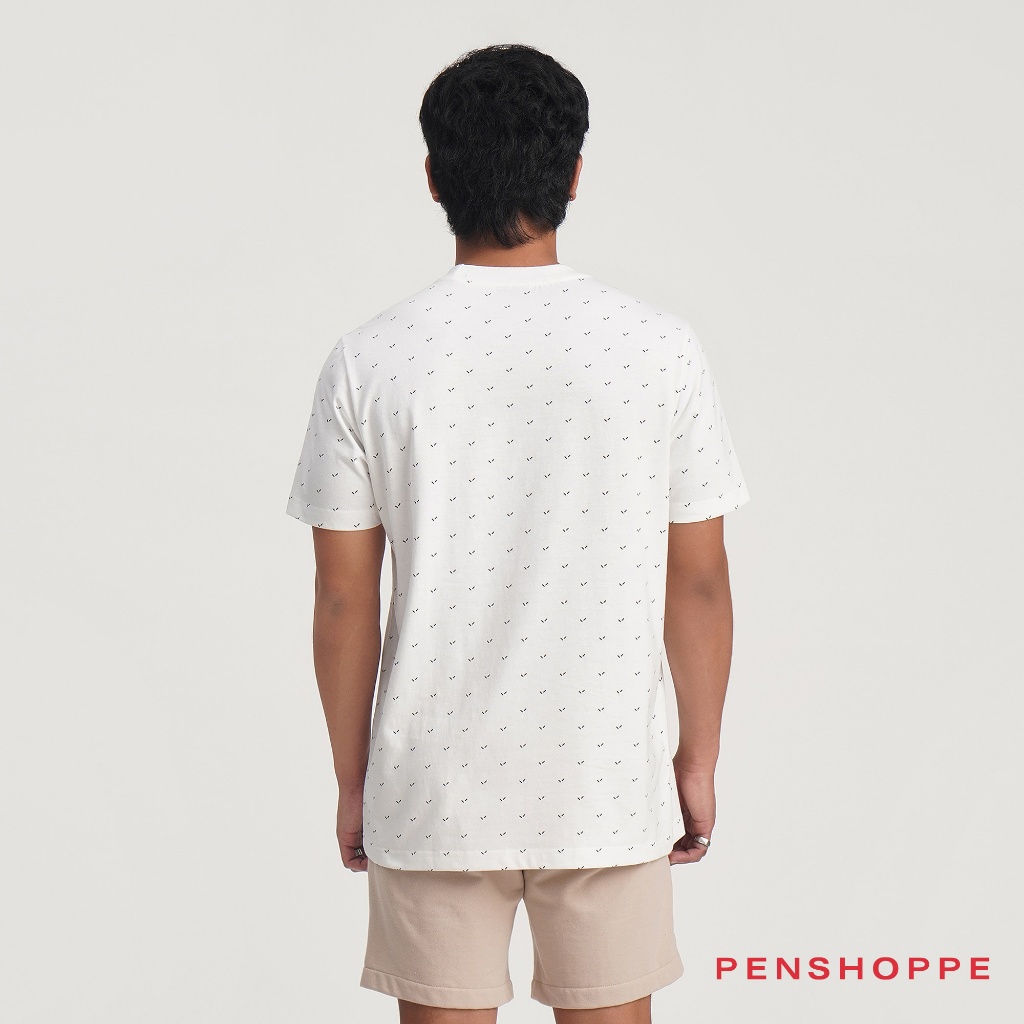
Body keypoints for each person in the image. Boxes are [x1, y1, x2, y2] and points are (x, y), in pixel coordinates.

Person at [285, 42, 751, 1024]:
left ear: (433, 177)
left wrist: (353, 779)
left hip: (432, 784)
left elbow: (342, 597)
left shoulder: (370, 359)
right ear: (574, 174)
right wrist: (697, 759)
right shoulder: (657, 348)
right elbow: (700, 580)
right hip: (605, 781)